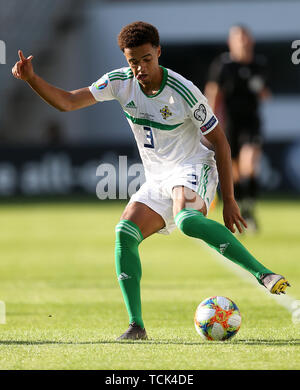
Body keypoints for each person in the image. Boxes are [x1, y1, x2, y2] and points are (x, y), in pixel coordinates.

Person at [12, 21, 289, 341]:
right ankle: (136, 327)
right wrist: (31, 79)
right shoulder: (118, 82)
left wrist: (228, 199)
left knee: (187, 221)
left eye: (146, 59)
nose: (140, 67)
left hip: (193, 165)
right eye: (133, 61)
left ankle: (263, 274)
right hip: (158, 177)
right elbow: (68, 102)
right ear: (125, 59)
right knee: (124, 233)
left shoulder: (183, 91)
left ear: (158, 52)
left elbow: (222, 143)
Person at [205, 25, 271, 231]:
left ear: (250, 41)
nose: (242, 42)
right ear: (231, 42)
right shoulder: (223, 65)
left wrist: (260, 89)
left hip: (251, 123)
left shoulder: (259, 64)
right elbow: (213, 93)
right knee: (233, 172)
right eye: (238, 38)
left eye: (245, 38)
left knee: (248, 163)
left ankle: (249, 207)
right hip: (229, 125)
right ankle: (242, 209)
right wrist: (208, 124)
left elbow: (266, 95)